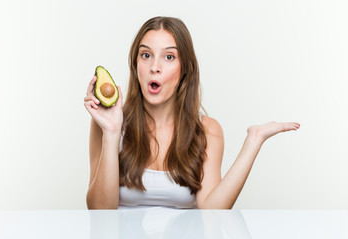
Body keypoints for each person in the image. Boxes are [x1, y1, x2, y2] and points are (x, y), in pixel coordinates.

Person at [83, 16, 300, 209]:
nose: (154, 67)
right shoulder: (107, 123)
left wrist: (254, 141)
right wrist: (112, 133)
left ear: (185, 68)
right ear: (135, 63)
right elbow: (99, 209)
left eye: (169, 57)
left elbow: (212, 210)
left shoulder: (207, 130)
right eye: (146, 55)